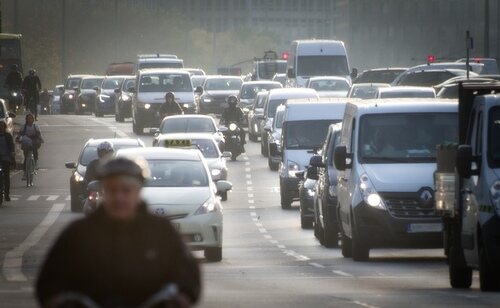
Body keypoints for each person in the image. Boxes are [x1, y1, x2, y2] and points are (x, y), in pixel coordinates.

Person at [36, 158, 201, 307]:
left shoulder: (161, 231)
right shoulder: (78, 233)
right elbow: (49, 281)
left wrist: (181, 296)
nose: (119, 197)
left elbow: (188, 275)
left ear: (138, 192)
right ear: (103, 192)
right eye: (112, 190)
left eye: (126, 190)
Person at [18, 114, 43, 180]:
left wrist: (41, 139)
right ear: (26, 119)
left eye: (31, 118)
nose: (30, 120)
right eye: (28, 118)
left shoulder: (36, 127)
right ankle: (25, 173)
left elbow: (39, 135)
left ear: (33, 120)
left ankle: (35, 162)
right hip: (26, 144)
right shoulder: (23, 127)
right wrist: (19, 139)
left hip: (34, 142)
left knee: (35, 150)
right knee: (26, 158)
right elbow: (20, 135)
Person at [0, 121, 15, 201]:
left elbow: (12, 146)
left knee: (6, 176)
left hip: (6, 158)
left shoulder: (8, 136)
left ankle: (6, 194)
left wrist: (12, 154)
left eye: (2, 126)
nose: (1, 127)